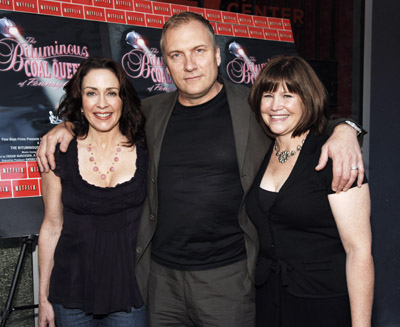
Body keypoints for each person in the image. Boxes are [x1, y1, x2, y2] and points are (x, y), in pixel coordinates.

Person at [36, 12, 365, 327]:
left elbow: (298, 117)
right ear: (164, 64)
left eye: (198, 51)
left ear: (218, 55)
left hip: (228, 279)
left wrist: (346, 128)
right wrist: (64, 127)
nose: (190, 65)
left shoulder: (252, 106)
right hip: (160, 281)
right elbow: (101, 113)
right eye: (176, 55)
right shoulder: (150, 112)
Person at [247, 55, 374, 327]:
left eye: (289, 95)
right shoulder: (263, 151)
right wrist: (346, 126)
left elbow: (359, 252)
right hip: (269, 299)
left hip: (322, 303)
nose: (276, 105)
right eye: (268, 95)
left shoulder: (336, 157)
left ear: (308, 99)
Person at [38, 57, 148, 327]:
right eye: (91, 93)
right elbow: (52, 226)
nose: (102, 104)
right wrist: (43, 298)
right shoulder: (58, 153)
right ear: (80, 99)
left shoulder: (147, 149)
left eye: (111, 93)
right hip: (71, 294)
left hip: (130, 294)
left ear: (123, 98)